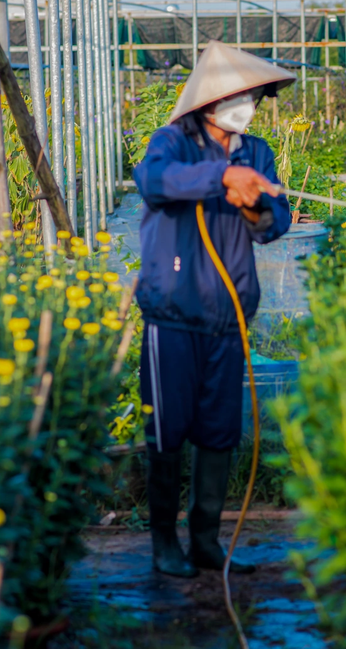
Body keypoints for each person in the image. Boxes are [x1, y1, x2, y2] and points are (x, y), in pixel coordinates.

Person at [133, 40, 296, 577]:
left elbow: (277, 222)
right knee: (168, 428)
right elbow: (153, 183)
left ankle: (205, 540)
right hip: (173, 313)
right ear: (208, 100)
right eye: (238, 96)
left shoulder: (257, 152)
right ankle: (163, 544)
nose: (247, 106)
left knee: (219, 429)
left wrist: (255, 206)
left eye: (253, 97)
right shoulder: (172, 143)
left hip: (229, 315)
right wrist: (219, 178)